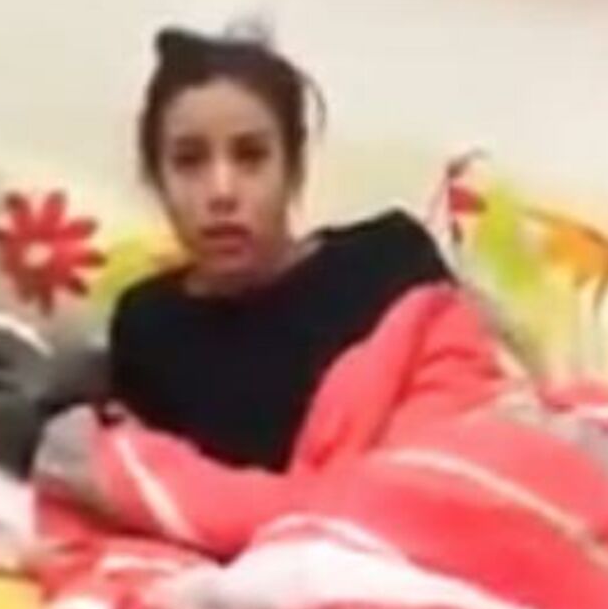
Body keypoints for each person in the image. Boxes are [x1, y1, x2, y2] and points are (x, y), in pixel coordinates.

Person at [108, 27, 466, 473]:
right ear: (157, 179)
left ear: (292, 166)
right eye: (189, 161)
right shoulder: (148, 325)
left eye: (251, 156)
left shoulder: (389, 261)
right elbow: (146, 482)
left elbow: (471, 416)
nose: (222, 192)